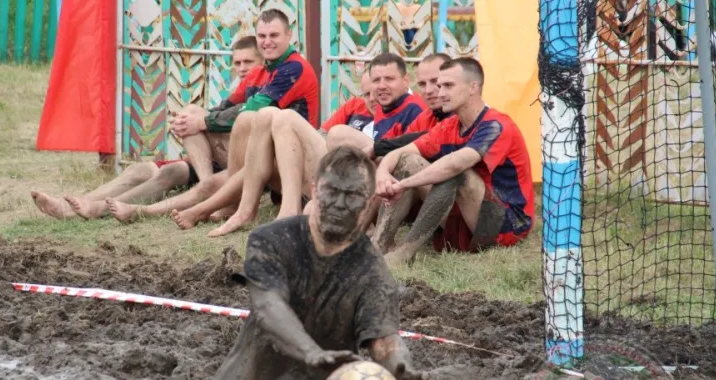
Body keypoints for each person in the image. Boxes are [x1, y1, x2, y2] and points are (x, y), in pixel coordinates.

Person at [145, 146, 438, 380]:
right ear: (315, 190)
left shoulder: (374, 274)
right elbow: (269, 307)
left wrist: (402, 370)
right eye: (332, 192)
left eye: (353, 195)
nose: (340, 204)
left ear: (370, 200)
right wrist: (310, 352)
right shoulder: (272, 239)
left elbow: (384, 340)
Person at [115, 8, 320, 226]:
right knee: (191, 116)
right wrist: (195, 119)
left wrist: (203, 121)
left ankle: (142, 211)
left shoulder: (294, 68)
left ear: (289, 35)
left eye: (274, 35)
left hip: (285, 163)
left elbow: (249, 112)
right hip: (256, 153)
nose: (267, 41)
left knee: (199, 173)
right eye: (262, 36)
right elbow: (223, 108)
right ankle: (214, 194)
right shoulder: (262, 72)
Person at [29, 36, 263, 220]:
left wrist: (199, 120)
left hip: (237, 165)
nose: (242, 68)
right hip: (215, 161)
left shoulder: (268, 86)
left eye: (248, 62)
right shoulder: (243, 87)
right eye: (237, 63)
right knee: (140, 170)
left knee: (182, 141)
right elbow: (220, 113)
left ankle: (96, 209)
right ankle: (68, 206)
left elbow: (235, 119)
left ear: (262, 62)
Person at [198, 52, 426, 238]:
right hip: (345, 177)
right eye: (375, 81)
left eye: (389, 79)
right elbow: (324, 133)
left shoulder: (414, 108)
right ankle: (249, 210)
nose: (380, 87)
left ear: (406, 81)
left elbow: (408, 158)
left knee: (289, 120)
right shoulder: (376, 108)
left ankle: (263, 210)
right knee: (266, 117)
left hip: (374, 190)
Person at [373, 57, 535, 264]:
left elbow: (455, 164)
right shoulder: (450, 125)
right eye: (440, 86)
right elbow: (400, 152)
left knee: (457, 173)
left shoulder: (496, 125)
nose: (440, 93)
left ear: (473, 87)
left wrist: (402, 185)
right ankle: (377, 245)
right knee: (408, 160)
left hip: (507, 225)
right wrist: (383, 173)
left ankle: (404, 254)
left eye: (448, 86)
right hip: (467, 217)